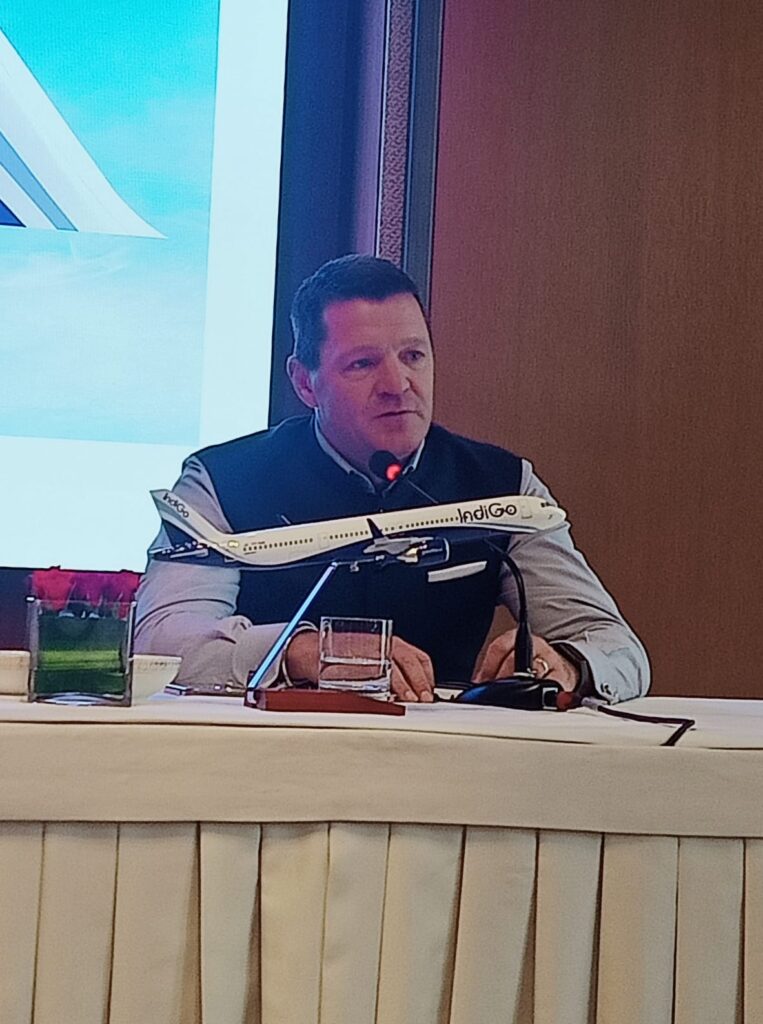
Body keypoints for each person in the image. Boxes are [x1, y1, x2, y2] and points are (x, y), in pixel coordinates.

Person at [135, 255, 649, 703]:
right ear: (305, 383)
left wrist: (568, 664)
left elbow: (617, 648)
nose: (397, 384)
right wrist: (298, 651)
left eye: (413, 357)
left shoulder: (504, 485)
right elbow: (159, 643)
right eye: (363, 364)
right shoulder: (221, 481)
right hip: (269, 759)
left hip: (452, 762)